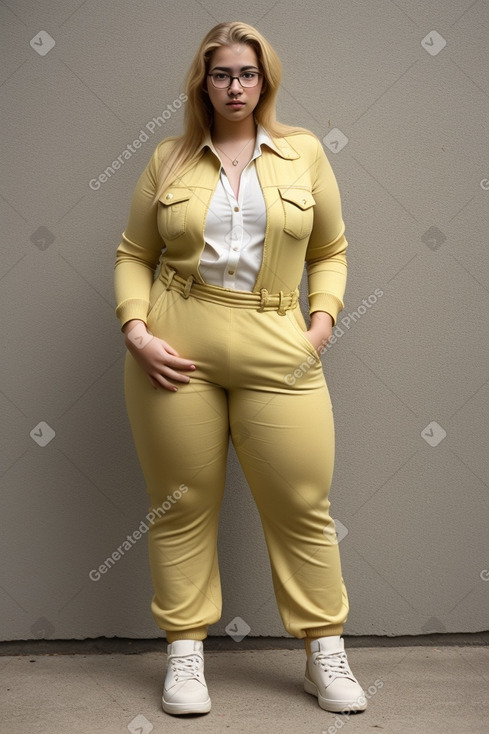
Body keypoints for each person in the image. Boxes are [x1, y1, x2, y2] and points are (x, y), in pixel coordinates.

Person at [114, 20, 367, 717]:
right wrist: (135, 330)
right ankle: (185, 655)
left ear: (265, 80)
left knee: (301, 505)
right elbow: (134, 253)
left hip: (276, 340)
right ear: (203, 80)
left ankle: (324, 653)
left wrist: (317, 328)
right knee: (180, 506)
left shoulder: (302, 153)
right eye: (221, 73)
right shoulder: (168, 158)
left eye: (247, 74)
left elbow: (332, 249)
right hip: (177, 347)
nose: (234, 86)